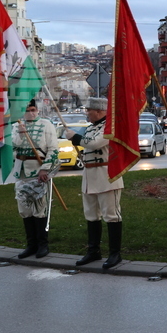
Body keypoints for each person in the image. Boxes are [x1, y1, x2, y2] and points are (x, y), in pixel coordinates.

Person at [66, 97, 125, 269]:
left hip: (106, 174)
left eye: (89, 110)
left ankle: (115, 254)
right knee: (91, 215)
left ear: (99, 111)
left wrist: (75, 138)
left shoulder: (110, 127)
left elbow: (96, 143)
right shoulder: (91, 128)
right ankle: (93, 251)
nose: (87, 113)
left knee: (111, 215)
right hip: (90, 174)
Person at [12, 100, 60, 259]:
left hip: (39, 171)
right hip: (22, 171)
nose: (30, 113)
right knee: (25, 211)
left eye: (33, 109)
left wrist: (45, 168)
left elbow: (53, 149)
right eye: (27, 110)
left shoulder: (47, 125)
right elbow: (13, 146)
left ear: (38, 110)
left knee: (40, 210)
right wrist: (20, 132)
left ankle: (42, 245)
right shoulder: (16, 126)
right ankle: (31, 245)